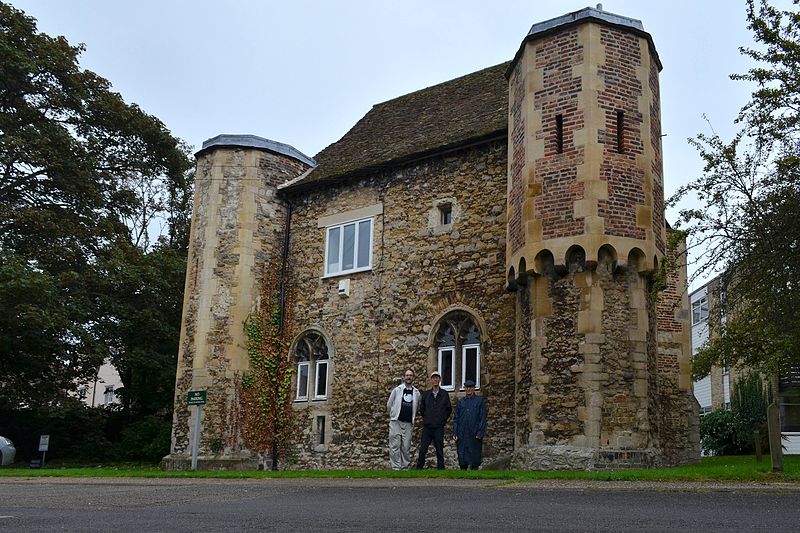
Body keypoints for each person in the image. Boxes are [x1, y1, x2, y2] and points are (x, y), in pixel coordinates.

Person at [415, 371, 452, 469]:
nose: (435, 380)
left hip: (438, 427)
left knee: (439, 449)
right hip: (428, 427)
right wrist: (427, 418)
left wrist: (442, 420)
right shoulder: (426, 395)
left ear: (439, 380)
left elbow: (449, 409)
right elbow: (422, 409)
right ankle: (418, 469)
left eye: (437, 378)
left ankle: (441, 469)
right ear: (431, 380)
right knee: (423, 449)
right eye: (433, 378)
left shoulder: (444, 394)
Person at [387, 369, 420, 470]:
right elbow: (389, 404)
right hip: (396, 422)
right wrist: (393, 415)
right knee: (395, 446)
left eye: (410, 375)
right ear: (404, 377)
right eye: (407, 375)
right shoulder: (397, 390)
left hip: (408, 423)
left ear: (413, 377)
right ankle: (396, 467)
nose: (408, 377)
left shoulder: (416, 392)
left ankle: (405, 467)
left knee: (406, 446)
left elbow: (417, 406)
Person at [452, 379, 487, 470]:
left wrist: (480, 432)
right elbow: (456, 418)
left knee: (474, 457)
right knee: (462, 456)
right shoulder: (461, 402)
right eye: (467, 387)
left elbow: (482, 417)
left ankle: (474, 480)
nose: (468, 389)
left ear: (473, 388)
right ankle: (463, 478)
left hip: (474, 432)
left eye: (470, 387)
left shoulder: (479, 401)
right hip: (462, 432)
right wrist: (455, 432)